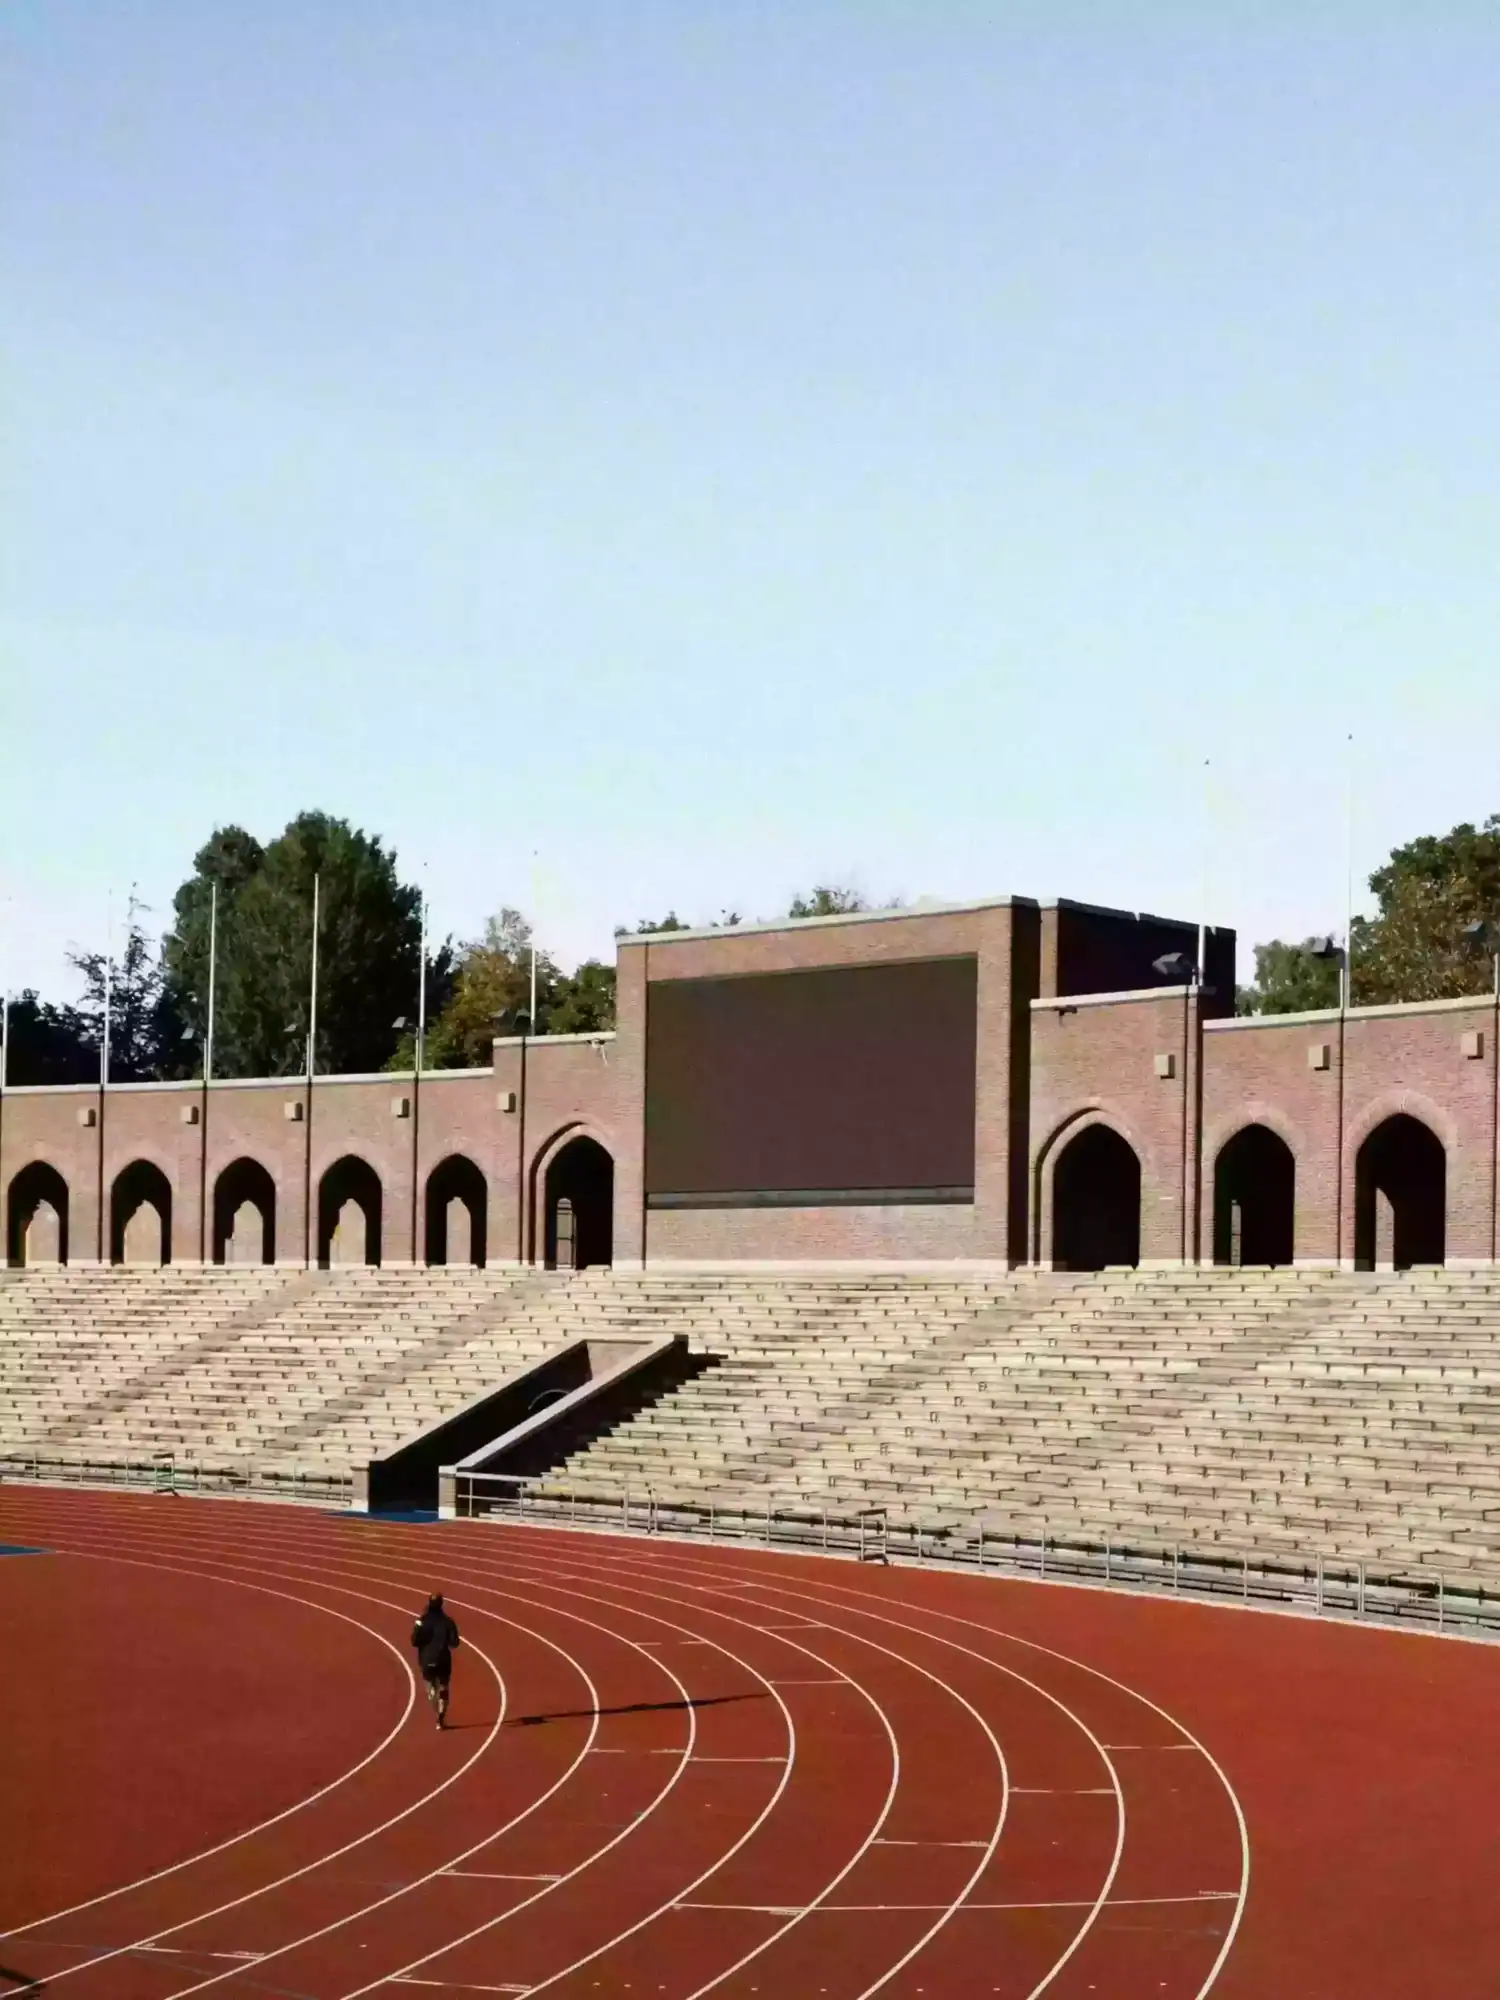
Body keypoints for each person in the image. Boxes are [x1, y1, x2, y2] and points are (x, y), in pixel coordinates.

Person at [411, 1592, 461, 1728]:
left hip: (426, 1659)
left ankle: (432, 1693)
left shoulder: (421, 1621)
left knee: (430, 1685)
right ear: (442, 1604)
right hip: (443, 1659)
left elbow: (414, 1641)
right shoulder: (448, 1621)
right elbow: (455, 1643)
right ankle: (440, 1720)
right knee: (444, 1687)